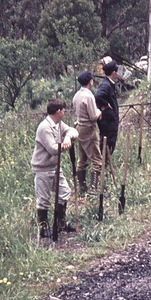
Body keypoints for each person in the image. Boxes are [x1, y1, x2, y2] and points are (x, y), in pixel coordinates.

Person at [32, 99, 78, 240]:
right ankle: (44, 228)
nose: (65, 112)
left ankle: (61, 224)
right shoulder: (45, 127)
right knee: (44, 199)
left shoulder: (58, 124)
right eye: (63, 110)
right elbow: (52, 149)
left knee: (64, 192)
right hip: (43, 168)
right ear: (58, 112)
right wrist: (64, 144)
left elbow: (73, 130)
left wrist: (68, 138)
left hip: (55, 166)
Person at [71, 70, 102, 196]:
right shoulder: (88, 96)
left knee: (82, 159)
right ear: (91, 81)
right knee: (97, 160)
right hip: (88, 129)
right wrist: (100, 111)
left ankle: (82, 187)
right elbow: (94, 116)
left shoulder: (76, 95)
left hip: (79, 127)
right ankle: (93, 189)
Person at [95, 60, 120, 157]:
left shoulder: (109, 84)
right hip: (108, 121)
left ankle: (105, 164)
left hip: (110, 120)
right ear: (114, 73)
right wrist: (106, 105)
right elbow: (98, 96)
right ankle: (103, 165)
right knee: (108, 142)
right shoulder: (106, 85)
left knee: (109, 142)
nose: (118, 74)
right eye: (117, 72)